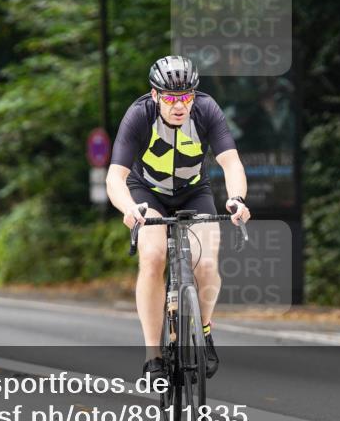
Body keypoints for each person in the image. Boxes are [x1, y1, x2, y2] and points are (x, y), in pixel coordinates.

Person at [106, 56, 251, 381]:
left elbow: (231, 163)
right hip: (147, 193)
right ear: (155, 95)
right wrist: (129, 207)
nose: (179, 105)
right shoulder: (139, 114)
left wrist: (237, 199)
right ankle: (153, 355)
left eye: (186, 96)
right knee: (153, 257)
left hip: (193, 191)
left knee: (207, 263)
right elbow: (115, 177)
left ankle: (204, 330)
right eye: (171, 98)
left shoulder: (206, 109)